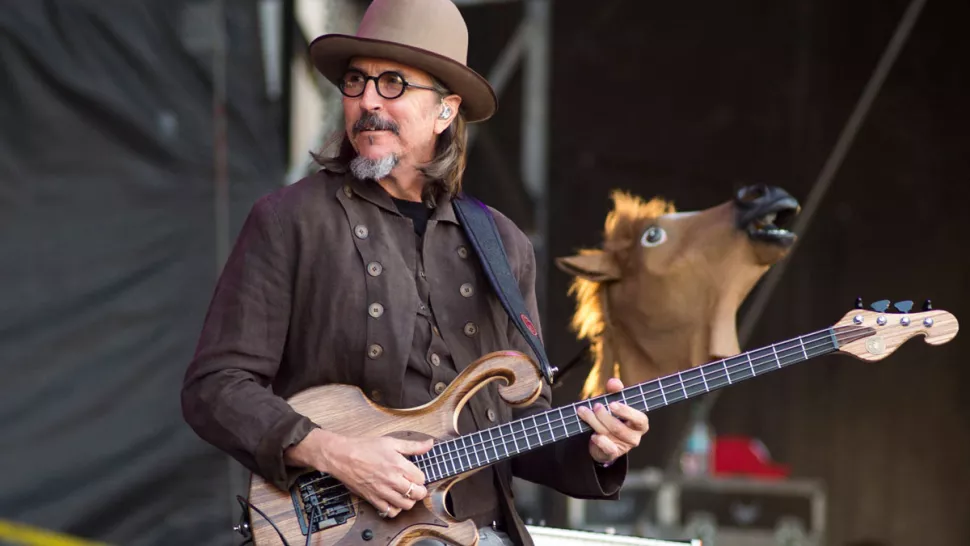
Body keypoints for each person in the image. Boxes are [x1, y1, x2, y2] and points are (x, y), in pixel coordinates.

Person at [180, 0, 650, 544]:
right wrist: (337, 454)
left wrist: (597, 446)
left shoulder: (503, 244)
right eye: (356, 82)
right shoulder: (289, 220)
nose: (367, 101)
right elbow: (215, 387)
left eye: (393, 84)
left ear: (445, 111)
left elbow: (520, 424)